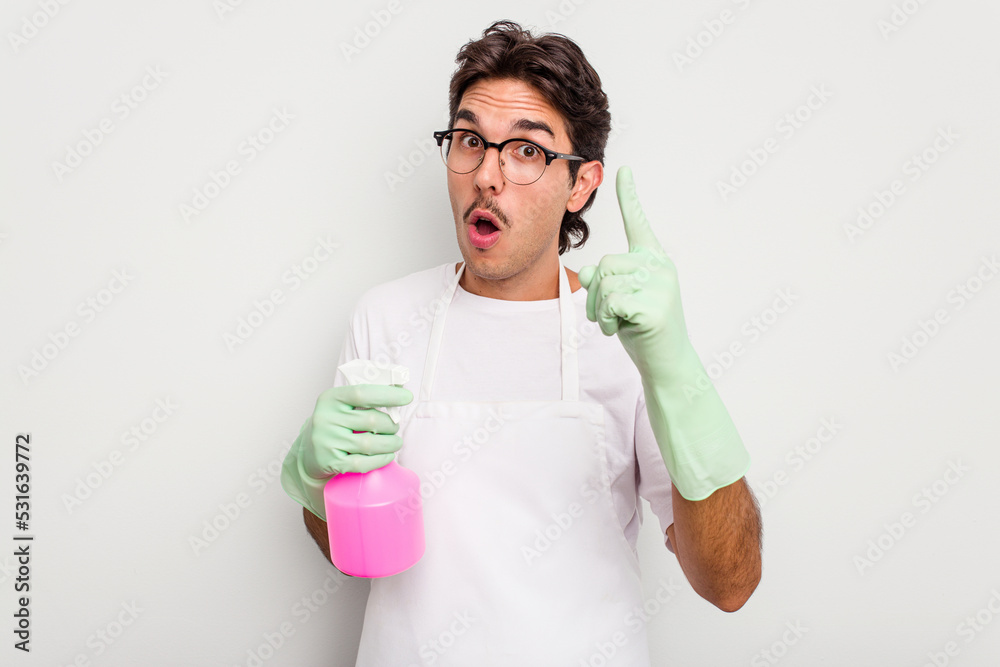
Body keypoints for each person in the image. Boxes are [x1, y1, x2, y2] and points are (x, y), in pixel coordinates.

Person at [281, 19, 762, 665]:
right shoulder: (388, 317)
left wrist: (675, 373)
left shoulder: (629, 335)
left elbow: (731, 582)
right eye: (471, 139)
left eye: (527, 150)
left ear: (582, 183)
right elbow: (355, 555)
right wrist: (317, 485)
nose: (487, 174)